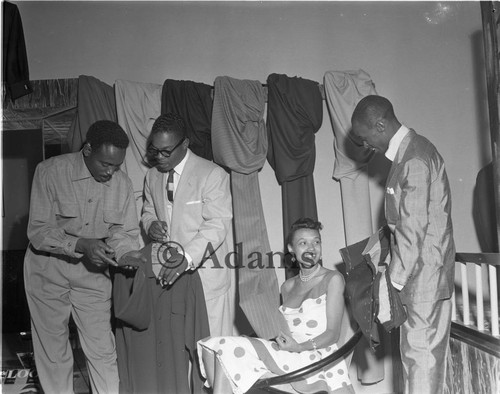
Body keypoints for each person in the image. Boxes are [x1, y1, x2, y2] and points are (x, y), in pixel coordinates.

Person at [23, 120, 144, 394]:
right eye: (105, 164)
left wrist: (127, 253)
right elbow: (38, 231)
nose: (111, 172)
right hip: (46, 269)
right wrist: (81, 244)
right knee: (53, 351)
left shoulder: (122, 184)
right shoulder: (50, 172)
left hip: (92, 272)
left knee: (102, 348)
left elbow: (122, 231)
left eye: (117, 166)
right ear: (88, 149)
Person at [351, 95, 455, 394]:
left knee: (420, 365)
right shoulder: (410, 154)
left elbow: (411, 231)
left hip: (423, 281)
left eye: (363, 137)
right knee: (418, 364)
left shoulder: (414, 159)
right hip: (420, 279)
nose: (364, 144)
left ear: (380, 126)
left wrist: (390, 286)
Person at [198, 218, 355, 394]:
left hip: (316, 355)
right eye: (303, 243)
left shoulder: (333, 279)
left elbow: (333, 334)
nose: (311, 248)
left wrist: (299, 347)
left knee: (223, 348)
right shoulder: (287, 286)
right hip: (289, 353)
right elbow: (284, 330)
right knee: (211, 346)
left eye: (316, 242)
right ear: (291, 249)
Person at [141, 112, 235, 336]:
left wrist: (186, 257)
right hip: (169, 274)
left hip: (206, 274)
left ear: (185, 144)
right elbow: (148, 211)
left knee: (213, 345)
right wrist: (150, 223)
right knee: (179, 344)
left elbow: (217, 224)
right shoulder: (152, 177)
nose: (159, 157)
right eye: (155, 150)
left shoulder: (212, 174)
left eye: (166, 151)